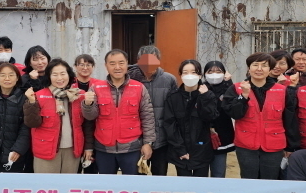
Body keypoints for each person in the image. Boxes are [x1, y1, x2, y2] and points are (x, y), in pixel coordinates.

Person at [222, 52, 299, 179]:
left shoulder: (282, 90)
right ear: (249, 68)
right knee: (249, 179)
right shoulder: (236, 88)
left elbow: (290, 120)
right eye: (255, 65)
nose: (259, 69)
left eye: (264, 65)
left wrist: (291, 146)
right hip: (246, 145)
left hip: (274, 144)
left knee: (271, 179)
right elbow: (235, 114)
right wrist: (243, 96)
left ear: (270, 69)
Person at [82, 49, 155, 175]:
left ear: (127, 64)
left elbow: (148, 117)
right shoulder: (96, 88)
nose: (117, 67)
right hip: (104, 149)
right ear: (106, 66)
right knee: (107, 185)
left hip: (132, 148)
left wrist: (148, 143)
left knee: (133, 184)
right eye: (112, 63)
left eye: (121, 63)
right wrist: (87, 104)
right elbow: (90, 117)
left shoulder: (139, 88)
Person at [24, 59, 92, 173]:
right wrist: (31, 102)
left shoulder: (79, 95)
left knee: (68, 183)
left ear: (69, 75)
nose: (59, 78)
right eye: (55, 74)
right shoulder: (38, 96)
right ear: (49, 77)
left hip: (73, 150)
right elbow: (32, 123)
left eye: (63, 73)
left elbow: (88, 125)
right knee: (46, 183)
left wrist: (88, 147)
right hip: (46, 150)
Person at [127, 45, 177, 176]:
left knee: (159, 176)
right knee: (137, 176)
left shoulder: (169, 79)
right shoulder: (129, 79)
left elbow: (174, 109)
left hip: (161, 138)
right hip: (136, 138)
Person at [164, 60, 219, 177]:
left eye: (194, 72)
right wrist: (180, 150)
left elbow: (210, 117)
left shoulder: (208, 95)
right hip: (180, 152)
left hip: (202, 151)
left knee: (201, 184)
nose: (189, 75)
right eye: (185, 72)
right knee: (184, 185)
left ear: (200, 75)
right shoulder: (173, 97)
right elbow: (170, 125)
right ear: (180, 75)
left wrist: (204, 97)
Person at [203, 60, 235, 178]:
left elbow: (231, 107)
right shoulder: (201, 88)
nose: (214, 74)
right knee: (201, 173)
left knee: (219, 173)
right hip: (202, 135)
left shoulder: (228, 88)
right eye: (210, 71)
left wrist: (229, 83)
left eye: (218, 71)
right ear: (204, 74)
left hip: (222, 136)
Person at [73, 54, 101, 173]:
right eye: (81, 65)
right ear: (75, 66)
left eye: (88, 65)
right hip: (74, 130)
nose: (85, 68)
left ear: (93, 67)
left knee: (91, 170)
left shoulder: (99, 85)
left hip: (94, 131)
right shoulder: (68, 84)